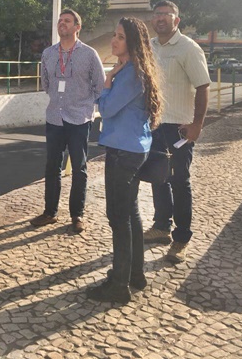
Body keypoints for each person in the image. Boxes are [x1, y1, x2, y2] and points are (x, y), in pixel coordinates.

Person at [87, 17, 162, 304]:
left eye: (120, 36)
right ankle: (134, 274)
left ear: (132, 42)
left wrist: (106, 83)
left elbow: (106, 109)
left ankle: (119, 285)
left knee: (118, 217)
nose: (114, 40)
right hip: (132, 148)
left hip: (123, 152)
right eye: (114, 35)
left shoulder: (130, 74)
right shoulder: (134, 70)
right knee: (130, 213)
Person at [144, 0, 210, 263]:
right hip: (154, 124)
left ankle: (181, 238)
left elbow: (203, 86)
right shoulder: (149, 46)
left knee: (179, 182)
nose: (160, 18)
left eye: (166, 14)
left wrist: (197, 124)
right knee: (157, 178)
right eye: (157, 14)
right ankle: (161, 227)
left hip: (180, 128)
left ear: (176, 20)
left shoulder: (188, 48)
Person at [30, 9, 106, 233]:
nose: (62, 23)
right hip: (55, 117)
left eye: (67, 21)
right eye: (60, 21)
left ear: (77, 27)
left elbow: (100, 86)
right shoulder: (48, 53)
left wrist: (85, 105)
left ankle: (77, 214)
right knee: (52, 166)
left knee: (79, 168)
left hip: (79, 119)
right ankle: (50, 212)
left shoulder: (89, 54)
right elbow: (46, 83)